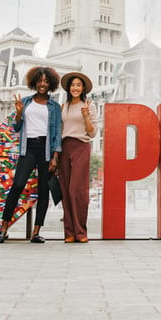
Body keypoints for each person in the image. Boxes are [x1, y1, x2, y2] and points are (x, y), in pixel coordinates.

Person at [0, 66, 62, 244]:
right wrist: (18, 113)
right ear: (34, 82)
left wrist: (55, 157)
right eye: (40, 81)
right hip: (28, 147)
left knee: (43, 191)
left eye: (46, 81)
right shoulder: (25, 102)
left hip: (46, 149)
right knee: (17, 186)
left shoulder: (54, 106)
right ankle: (3, 229)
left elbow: (57, 134)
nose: (42, 84)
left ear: (51, 84)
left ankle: (36, 232)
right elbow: (16, 127)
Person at [59, 71, 97, 243]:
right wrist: (55, 156)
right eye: (72, 85)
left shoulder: (89, 105)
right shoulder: (63, 106)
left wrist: (86, 115)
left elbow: (93, 132)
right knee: (66, 191)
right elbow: (59, 131)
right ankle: (69, 232)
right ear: (69, 87)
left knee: (77, 190)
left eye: (78, 85)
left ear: (83, 89)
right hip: (64, 148)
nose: (75, 88)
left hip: (81, 146)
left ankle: (81, 231)